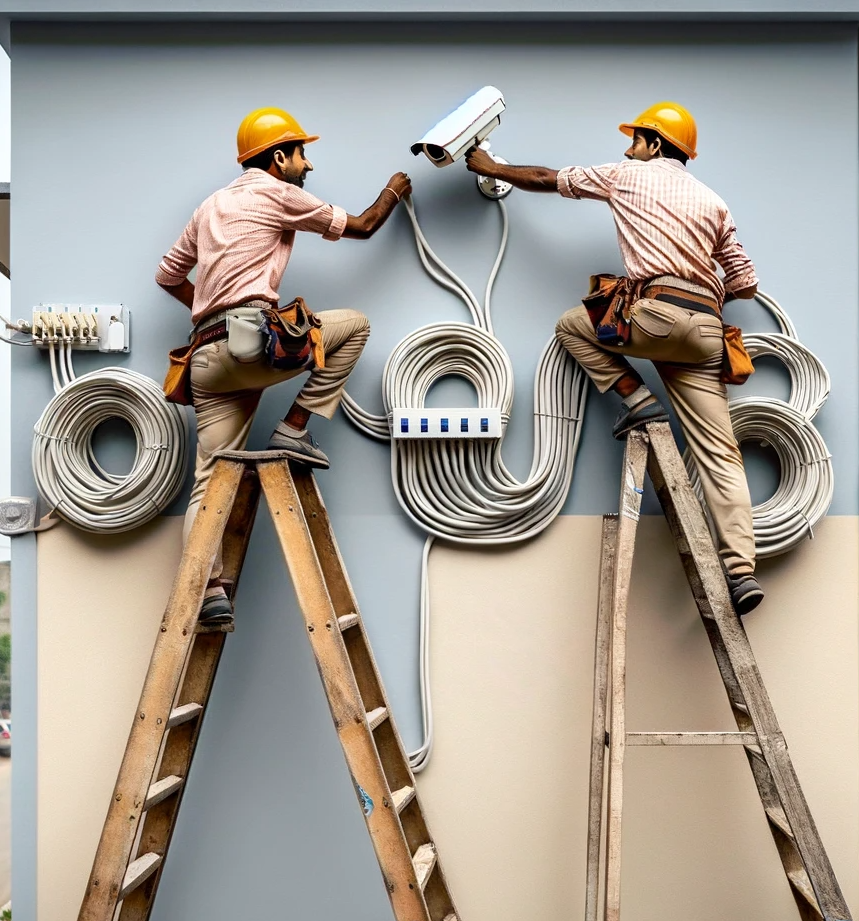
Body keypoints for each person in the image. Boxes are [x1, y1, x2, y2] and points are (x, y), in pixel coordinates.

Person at [468, 102, 766, 615]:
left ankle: (636, 397)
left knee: (571, 324)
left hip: (656, 317)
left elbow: (549, 178)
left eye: (636, 139)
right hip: (706, 332)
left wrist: (492, 168)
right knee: (720, 453)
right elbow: (745, 282)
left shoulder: (629, 175)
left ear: (654, 144)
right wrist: (701, 288)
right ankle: (740, 571)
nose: (628, 147)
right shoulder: (715, 202)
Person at [156, 107, 411, 626]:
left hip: (205, 359)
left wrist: (213, 315)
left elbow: (167, 275)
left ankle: (207, 592)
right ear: (278, 157)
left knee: (208, 479)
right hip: (253, 350)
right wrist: (394, 190)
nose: (307, 164)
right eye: (300, 153)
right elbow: (361, 226)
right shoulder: (275, 192)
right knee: (355, 324)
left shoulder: (210, 206)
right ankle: (295, 429)